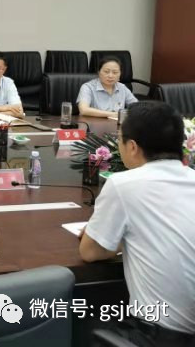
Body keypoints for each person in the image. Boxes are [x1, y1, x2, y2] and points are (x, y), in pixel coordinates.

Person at [79, 101, 195, 346]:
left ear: (132, 147)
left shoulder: (123, 184)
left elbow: (90, 252)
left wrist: (119, 237)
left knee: (84, 320)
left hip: (163, 335)